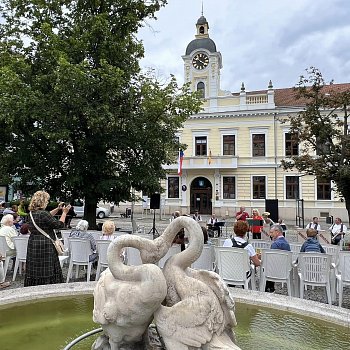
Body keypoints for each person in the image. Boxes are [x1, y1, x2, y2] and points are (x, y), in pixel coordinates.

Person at [24, 190, 69, 287]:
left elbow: (47, 216)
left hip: (33, 243)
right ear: (43, 201)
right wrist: (64, 213)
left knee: (35, 268)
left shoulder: (31, 213)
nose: (48, 202)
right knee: (47, 269)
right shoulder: (43, 214)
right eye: (47, 200)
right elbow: (59, 225)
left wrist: (57, 208)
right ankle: (48, 288)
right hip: (45, 244)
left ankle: (33, 287)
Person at [265, 225, 291, 293]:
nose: (270, 235)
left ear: (277, 232)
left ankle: (268, 288)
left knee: (266, 266)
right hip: (285, 271)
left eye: (271, 232)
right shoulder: (286, 243)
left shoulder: (275, 244)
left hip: (274, 272)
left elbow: (271, 260)